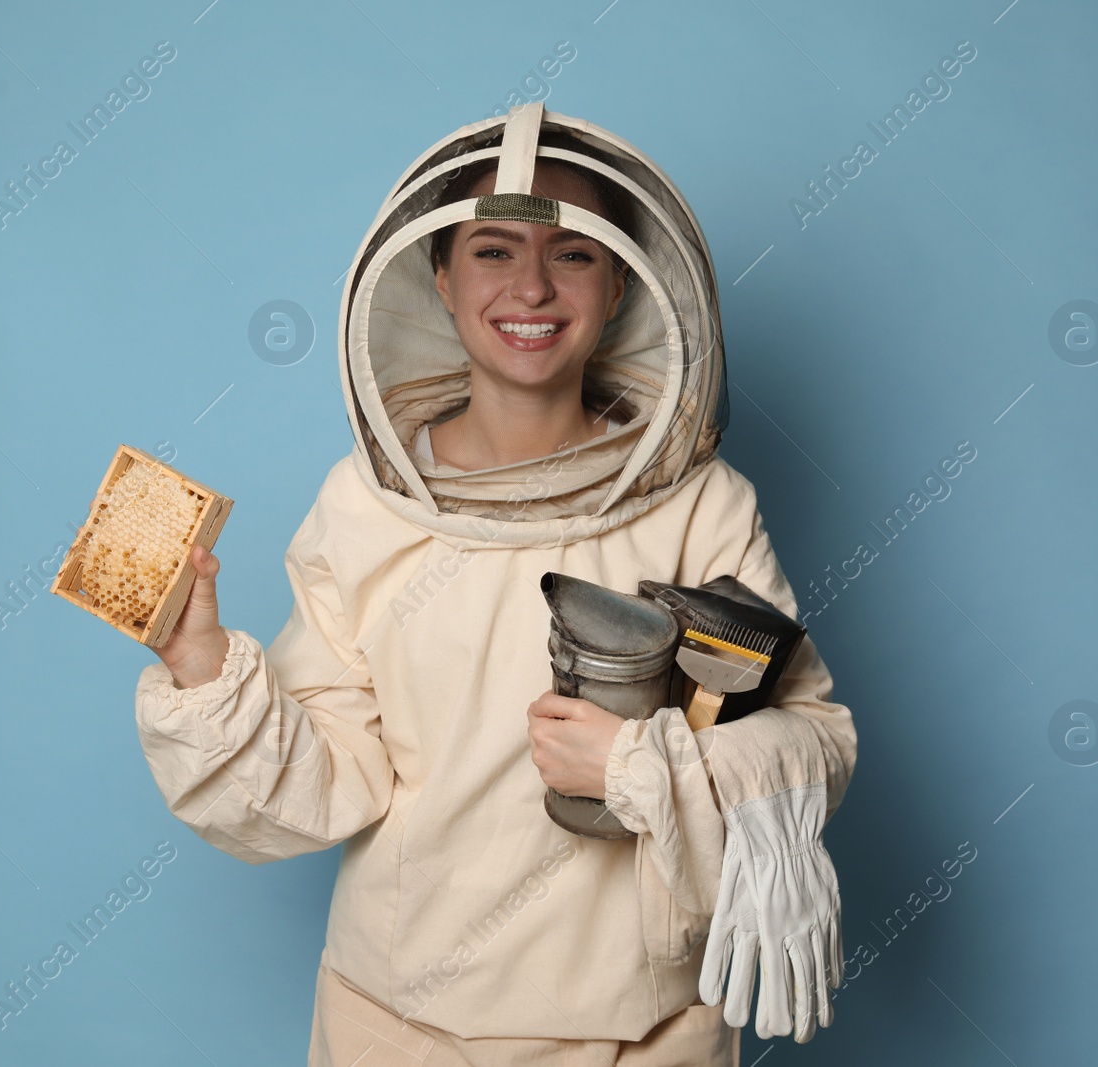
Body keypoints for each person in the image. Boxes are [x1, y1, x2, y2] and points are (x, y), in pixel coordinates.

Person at [133, 103, 858, 1065]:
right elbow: (331, 777)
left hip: (642, 1034)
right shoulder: (365, 505)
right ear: (438, 274)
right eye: (491, 249)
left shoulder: (699, 509)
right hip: (399, 1026)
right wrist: (200, 667)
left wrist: (640, 768)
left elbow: (809, 741)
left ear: (621, 283)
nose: (531, 286)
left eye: (573, 254)